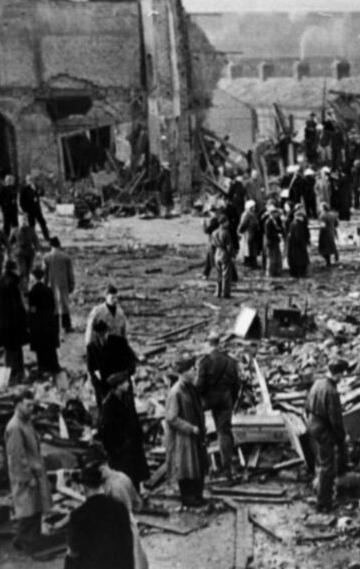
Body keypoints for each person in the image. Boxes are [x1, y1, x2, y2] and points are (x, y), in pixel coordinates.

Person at [65, 463, 134, 569]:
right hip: (119, 565)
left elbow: (73, 550)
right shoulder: (120, 507)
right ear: (101, 484)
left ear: (83, 487)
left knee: (70, 558)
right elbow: (128, 543)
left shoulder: (78, 515)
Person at [5, 390, 50, 554]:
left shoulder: (26, 422)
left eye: (32, 405)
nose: (31, 408)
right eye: (28, 405)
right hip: (26, 476)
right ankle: (26, 544)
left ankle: (28, 540)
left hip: (35, 472)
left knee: (35, 509)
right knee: (28, 512)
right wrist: (27, 477)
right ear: (18, 405)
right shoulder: (14, 427)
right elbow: (16, 456)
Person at [196, 333, 241, 476]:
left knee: (199, 430)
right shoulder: (230, 361)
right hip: (226, 399)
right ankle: (227, 467)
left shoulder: (205, 361)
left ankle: (204, 466)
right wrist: (232, 401)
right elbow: (236, 384)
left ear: (208, 343)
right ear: (218, 343)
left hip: (208, 400)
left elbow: (200, 385)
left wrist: (199, 400)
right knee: (224, 432)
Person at [165, 369, 209, 508]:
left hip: (196, 435)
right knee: (186, 468)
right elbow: (171, 418)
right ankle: (188, 499)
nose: (195, 372)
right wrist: (190, 428)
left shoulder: (191, 388)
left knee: (198, 466)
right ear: (183, 372)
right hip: (183, 438)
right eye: (191, 370)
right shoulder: (176, 392)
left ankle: (197, 495)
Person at [305, 370, 347, 512]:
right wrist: (341, 437)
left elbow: (306, 405)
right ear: (338, 374)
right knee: (327, 467)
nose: (342, 378)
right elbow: (335, 419)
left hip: (312, 424)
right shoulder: (331, 391)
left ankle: (317, 489)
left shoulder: (318, 382)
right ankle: (323, 503)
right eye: (341, 375)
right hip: (323, 429)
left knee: (319, 461)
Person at [98, 373, 150, 488]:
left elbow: (133, 419)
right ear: (118, 385)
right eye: (125, 382)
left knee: (134, 477)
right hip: (120, 448)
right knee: (124, 478)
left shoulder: (126, 398)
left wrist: (140, 435)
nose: (128, 384)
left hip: (132, 445)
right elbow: (106, 430)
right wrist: (113, 450)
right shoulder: (109, 404)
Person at [86, 319, 138, 410]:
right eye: (99, 335)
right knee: (106, 411)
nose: (102, 337)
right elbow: (91, 369)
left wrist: (123, 375)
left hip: (121, 383)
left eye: (103, 334)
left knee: (126, 411)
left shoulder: (120, 342)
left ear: (108, 331)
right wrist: (100, 384)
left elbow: (132, 360)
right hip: (104, 386)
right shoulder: (92, 347)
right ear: (95, 334)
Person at [0, 260, 27, 385]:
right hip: (14, 320)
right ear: (14, 269)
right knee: (16, 349)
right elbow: (18, 304)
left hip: (3, 318)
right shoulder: (13, 282)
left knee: (8, 349)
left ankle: (8, 375)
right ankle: (18, 374)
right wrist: (25, 320)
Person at [26, 266, 60, 374]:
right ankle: (54, 368)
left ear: (34, 277)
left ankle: (43, 369)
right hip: (49, 323)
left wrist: (29, 323)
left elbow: (32, 309)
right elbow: (53, 306)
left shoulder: (33, 292)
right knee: (50, 348)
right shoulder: (48, 290)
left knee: (40, 349)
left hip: (38, 324)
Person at [43, 237, 75, 332]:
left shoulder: (47, 257)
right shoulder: (66, 257)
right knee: (64, 304)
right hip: (63, 283)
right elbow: (70, 273)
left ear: (50, 245)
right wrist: (72, 284)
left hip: (51, 283)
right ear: (59, 244)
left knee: (53, 305)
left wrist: (44, 285)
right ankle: (66, 326)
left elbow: (44, 274)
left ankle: (54, 326)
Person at [9, 220, 38, 293]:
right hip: (20, 253)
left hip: (30, 253)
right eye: (23, 219)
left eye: (25, 219)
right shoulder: (16, 230)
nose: (24, 221)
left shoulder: (31, 230)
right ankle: (22, 288)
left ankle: (26, 288)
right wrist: (12, 251)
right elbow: (10, 242)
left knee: (28, 271)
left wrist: (37, 250)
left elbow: (36, 241)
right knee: (22, 271)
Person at [19, 175, 50, 241]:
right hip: (29, 210)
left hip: (37, 209)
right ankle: (32, 239)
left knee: (42, 222)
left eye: (31, 179)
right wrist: (25, 210)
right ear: (26, 180)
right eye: (29, 179)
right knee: (32, 224)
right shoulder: (24, 189)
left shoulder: (36, 186)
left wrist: (41, 189)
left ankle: (47, 237)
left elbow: (41, 194)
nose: (30, 181)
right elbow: (21, 201)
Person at [211, 213, 234, 298]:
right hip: (224, 253)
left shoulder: (214, 232)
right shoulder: (226, 232)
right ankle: (225, 293)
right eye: (226, 222)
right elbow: (229, 246)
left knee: (218, 274)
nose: (228, 223)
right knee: (226, 275)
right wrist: (232, 255)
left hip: (217, 253)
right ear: (223, 222)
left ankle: (217, 292)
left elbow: (213, 244)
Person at [286, 209, 311, 278]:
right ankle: (301, 274)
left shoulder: (293, 223)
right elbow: (298, 236)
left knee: (296, 260)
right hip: (297, 246)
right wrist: (303, 245)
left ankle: (297, 274)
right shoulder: (298, 224)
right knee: (300, 260)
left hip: (294, 245)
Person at [262, 203, 284, 277]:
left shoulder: (274, 221)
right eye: (274, 213)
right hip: (271, 242)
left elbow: (277, 229)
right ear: (271, 214)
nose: (276, 214)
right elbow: (268, 233)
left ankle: (276, 271)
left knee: (277, 257)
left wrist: (279, 231)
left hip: (275, 241)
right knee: (271, 258)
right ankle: (270, 273)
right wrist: (277, 235)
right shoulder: (268, 222)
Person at [238, 200, 261, 269]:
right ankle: (249, 264)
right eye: (253, 207)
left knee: (253, 249)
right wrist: (240, 231)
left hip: (253, 234)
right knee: (248, 250)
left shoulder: (253, 214)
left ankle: (254, 263)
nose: (254, 208)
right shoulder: (246, 215)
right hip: (248, 234)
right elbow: (243, 225)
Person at [201, 207, 222, 279]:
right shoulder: (220, 218)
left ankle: (206, 274)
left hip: (213, 241)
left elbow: (207, 231)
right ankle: (205, 273)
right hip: (219, 241)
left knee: (211, 257)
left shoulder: (214, 220)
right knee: (214, 257)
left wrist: (203, 224)